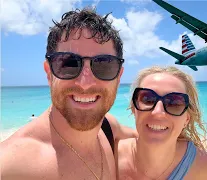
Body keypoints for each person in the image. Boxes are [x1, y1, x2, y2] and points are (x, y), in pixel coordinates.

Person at [0, 7, 138, 180]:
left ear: (119, 76)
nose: (85, 83)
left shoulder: (108, 127)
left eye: (104, 65)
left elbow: (153, 139)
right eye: (68, 63)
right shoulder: (11, 167)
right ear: (49, 73)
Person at [117, 66, 207, 179]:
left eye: (174, 103)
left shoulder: (202, 167)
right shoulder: (111, 158)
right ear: (133, 108)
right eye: (148, 99)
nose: (158, 112)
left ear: (187, 119)